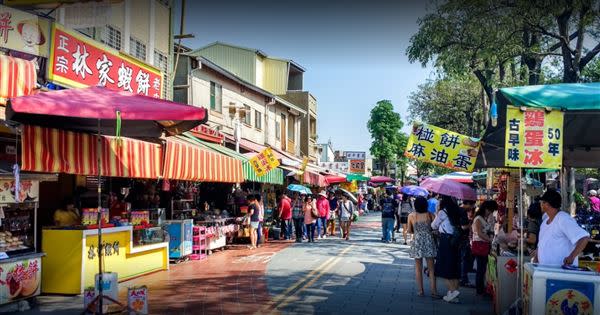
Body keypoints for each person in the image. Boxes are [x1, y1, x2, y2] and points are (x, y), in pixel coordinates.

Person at [534, 189, 590, 267]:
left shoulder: (563, 219)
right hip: (546, 271)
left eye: (542, 202)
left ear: (547, 204)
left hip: (561, 273)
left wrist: (572, 256)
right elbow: (541, 244)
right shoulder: (545, 222)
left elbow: (584, 238)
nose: (541, 204)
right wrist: (536, 258)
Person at [431, 195, 462, 303]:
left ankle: (453, 291)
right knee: (453, 266)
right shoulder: (457, 210)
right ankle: (453, 295)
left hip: (445, 241)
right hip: (455, 241)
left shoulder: (442, 212)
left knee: (442, 266)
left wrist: (436, 213)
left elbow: (434, 225)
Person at [407, 196, 438, 298]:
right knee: (431, 269)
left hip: (417, 241)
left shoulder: (411, 216)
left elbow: (409, 230)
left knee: (418, 268)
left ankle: (420, 291)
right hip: (429, 241)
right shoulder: (430, 215)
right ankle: (434, 291)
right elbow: (436, 228)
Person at [471, 200, 497, 295]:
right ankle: (480, 289)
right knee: (481, 268)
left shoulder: (483, 218)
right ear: (486, 209)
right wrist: (490, 240)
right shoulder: (478, 218)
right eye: (490, 210)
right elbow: (479, 233)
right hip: (480, 244)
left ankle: (481, 288)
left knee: (482, 268)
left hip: (483, 244)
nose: (490, 212)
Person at [459, 200, 476, 287]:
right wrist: (471, 223)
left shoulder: (459, 209)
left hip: (460, 238)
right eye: (472, 205)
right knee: (464, 259)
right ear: (468, 204)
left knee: (463, 259)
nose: (472, 207)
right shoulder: (462, 211)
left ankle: (462, 277)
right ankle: (463, 279)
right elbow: (464, 227)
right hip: (462, 238)